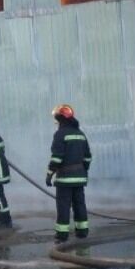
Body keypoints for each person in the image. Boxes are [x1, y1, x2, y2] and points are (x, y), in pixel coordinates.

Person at [46, 104, 92, 243]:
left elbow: (56, 158)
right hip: (80, 177)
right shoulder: (81, 134)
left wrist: (49, 174)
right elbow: (88, 157)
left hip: (65, 178)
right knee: (80, 204)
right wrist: (82, 171)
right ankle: (82, 232)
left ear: (60, 120)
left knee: (64, 205)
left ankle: (62, 235)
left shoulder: (60, 134)